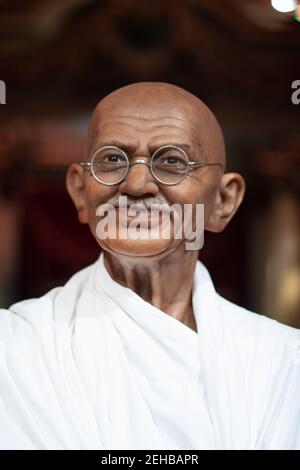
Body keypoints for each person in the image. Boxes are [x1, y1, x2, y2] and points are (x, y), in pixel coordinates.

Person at [0, 82, 299, 450]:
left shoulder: (284, 362)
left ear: (223, 200)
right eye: (112, 159)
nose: (137, 184)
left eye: (172, 161)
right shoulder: (15, 349)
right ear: (80, 190)